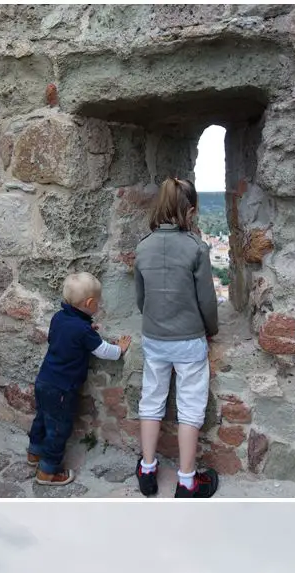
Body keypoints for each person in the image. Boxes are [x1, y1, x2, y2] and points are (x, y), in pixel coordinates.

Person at [134, 176, 220, 498]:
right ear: (192, 210)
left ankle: (147, 468)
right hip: (187, 340)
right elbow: (207, 301)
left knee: (151, 401)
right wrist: (209, 329)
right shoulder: (196, 248)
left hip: (155, 338)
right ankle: (186, 480)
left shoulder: (143, 247)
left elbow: (141, 300)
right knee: (190, 407)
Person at [27, 273, 131, 486]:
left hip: (44, 380)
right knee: (58, 428)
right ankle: (47, 472)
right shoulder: (82, 329)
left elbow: (63, 335)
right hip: (62, 389)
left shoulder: (59, 317)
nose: (99, 306)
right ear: (90, 303)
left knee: (42, 418)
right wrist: (119, 349)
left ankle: (34, 453)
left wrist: (86, 331)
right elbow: (102, 350)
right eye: (98, 303)